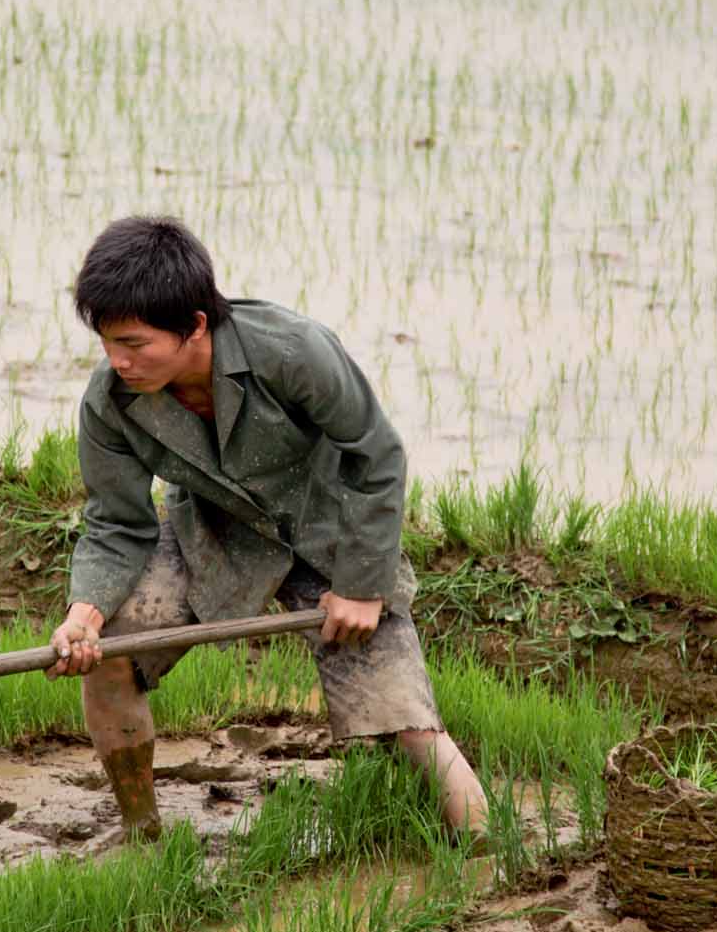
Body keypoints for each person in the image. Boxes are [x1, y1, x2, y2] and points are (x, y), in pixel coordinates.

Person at [46, 214, 490, 844]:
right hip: (217, 538)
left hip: (331, 532)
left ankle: (485, 855)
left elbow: (377, 456)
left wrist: (363, 587)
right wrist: (85, 613)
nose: (118, 361)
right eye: (107, 342)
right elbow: (116, 521)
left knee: (406, 720)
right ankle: (143, 836)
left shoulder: (291, 350)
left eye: (136, 344)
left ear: (195, 325)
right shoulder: (111, 402)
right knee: (110, 657)